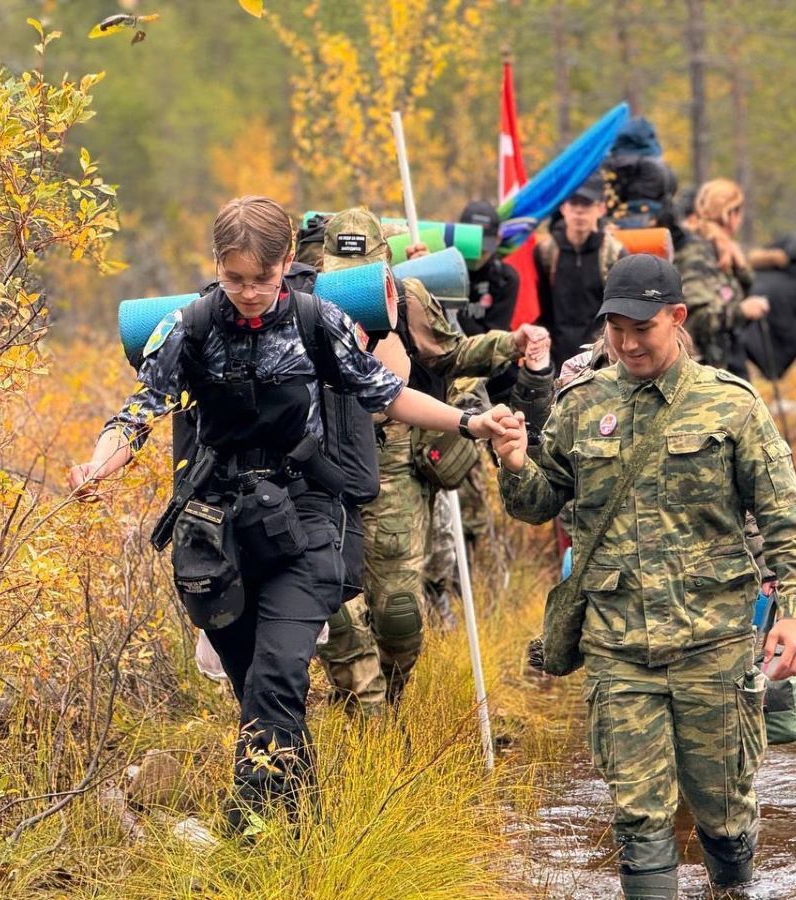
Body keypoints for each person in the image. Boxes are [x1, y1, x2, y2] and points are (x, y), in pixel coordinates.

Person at [67, 197, 511, 830]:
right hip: (218, 523)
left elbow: (385, 393)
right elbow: (138, 412)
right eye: (234, 278)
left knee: (278, 674)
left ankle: (247, 830)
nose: (249, 293)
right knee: (256, 690)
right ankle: (300, 825)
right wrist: (96, 466)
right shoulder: (189, 327)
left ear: (284, 265)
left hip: (305, 516)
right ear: (217, 265)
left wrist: (471, 420)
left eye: (262, 278)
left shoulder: (315, 320)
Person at [493, 253, 796, 899]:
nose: (627, 341)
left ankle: (732, 886)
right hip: (618, 648)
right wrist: (511, 461)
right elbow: (539, 502)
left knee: (723, 812)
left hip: (714, 646)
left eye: (642, 326)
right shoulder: (581, 404)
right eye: (615, 326)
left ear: (677, 317)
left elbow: (788, 526)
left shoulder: (731, 406)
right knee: (638, 817)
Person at [313, 206, 547, 711]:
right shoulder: (307, 304)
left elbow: (451, 354)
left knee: (399, 613)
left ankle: (389, 695)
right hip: (324, 466)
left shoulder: (408, 298)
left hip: (395, 462)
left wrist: (511, 343)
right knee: (337, 612)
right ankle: (366, 714)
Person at [673, 178, 769, 376]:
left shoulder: (724, 250)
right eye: (738, 212)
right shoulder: (696, 253)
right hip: (705, 371)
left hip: (725, 365)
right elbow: (695, 318)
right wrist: (742, 311)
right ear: (730, 215)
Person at [535, 172, 626, 370]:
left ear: (601, 208)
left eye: (586, 204)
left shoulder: (614, 254)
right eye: (573, 204)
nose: (579, 212)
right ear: (563, 207)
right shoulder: (545, 252)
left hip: (600, 358)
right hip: (554, 357)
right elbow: (541, 309)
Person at [457, 199, 519, 336]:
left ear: (498, 239)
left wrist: (454, 310)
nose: (477, 253)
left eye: (484, 247)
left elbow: (491, 342)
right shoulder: (443, 270)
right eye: (471, 245)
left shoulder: (505, 279)